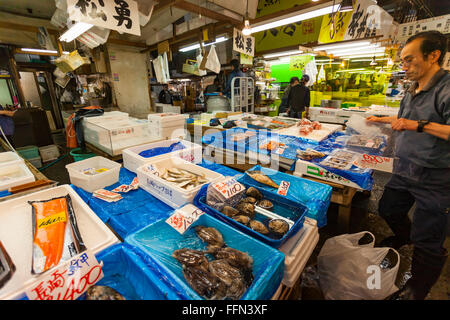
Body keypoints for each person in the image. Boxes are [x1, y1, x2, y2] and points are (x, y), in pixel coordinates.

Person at [366, 31, 450, 300]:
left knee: (430, 239)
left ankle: (416, 290)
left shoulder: (446, 88)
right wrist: (380, 118)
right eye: (402, 61)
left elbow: (416, 123)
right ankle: (406, 236)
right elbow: (403, 119)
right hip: (405, 169)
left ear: (433, 56)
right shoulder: (412, 89)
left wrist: (418, 125)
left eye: (409, 60)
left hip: (436, 175)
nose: (404, 66)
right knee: (388, 207)